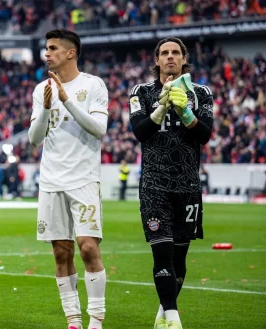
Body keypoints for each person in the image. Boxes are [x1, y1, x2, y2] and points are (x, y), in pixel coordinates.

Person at [128, 37, 214, 329]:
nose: (170, 57)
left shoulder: (201, 92)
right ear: (156, 60)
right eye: (164, 53)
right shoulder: (141, 92)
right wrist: (162, 108)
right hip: (154, 185)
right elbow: (140, 132)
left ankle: (165, 310)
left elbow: (204, 134)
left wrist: (185, 112)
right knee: (161, 250)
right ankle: (175, 319)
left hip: (188, 186)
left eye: (175, 52)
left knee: (179, 256)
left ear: (183, 58)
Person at [28, 29, 108, 329]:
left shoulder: (93, 85)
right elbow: (35, 139)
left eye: (52, 48)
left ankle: (96, 320)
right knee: (61, 252)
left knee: (88, 247)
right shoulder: (41, 90)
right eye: (46, 48)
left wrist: (67, 101)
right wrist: (48, 107)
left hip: (84, 178)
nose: (47, 53)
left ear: (70, 52)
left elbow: (99, 129)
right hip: (51, 180)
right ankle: (73, 318)